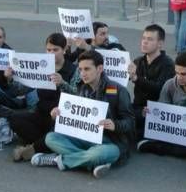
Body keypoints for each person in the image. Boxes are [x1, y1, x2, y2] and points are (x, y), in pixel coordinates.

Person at [37, 50, 135, 178]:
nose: (83, 74)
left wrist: (115, 125)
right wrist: (58, 115)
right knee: (50, 138)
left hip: (112, 143)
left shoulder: (118, 90)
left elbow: (131, 122)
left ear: (100, 68)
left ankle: (59, 160)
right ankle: (93, 162)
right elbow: (77, 118)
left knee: (98, 154)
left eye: (87, 69)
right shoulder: (82, 89)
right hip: (87, 139)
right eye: (80, 69)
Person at [9, 33, 76, 161]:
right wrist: (10, 78)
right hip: (42, 114)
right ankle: (46, 145)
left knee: (57, 131)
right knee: (14, 119)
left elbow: (78, 97)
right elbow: (20, 90)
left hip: (60, 117)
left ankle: (32, 149)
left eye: (55, 50)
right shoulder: (41, 66)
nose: (51, 53)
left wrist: (63, 83)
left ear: (64, 50)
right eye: (48, 50)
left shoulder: (73, 70)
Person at [127, 24, 175, 139]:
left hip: (157, 111)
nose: (144, 42)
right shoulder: (138, 61)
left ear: (160, 44)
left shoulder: (167, 64)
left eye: (150, 39)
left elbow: (160, 89)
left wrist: (136, 78)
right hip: (138, 108)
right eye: (143, 38)